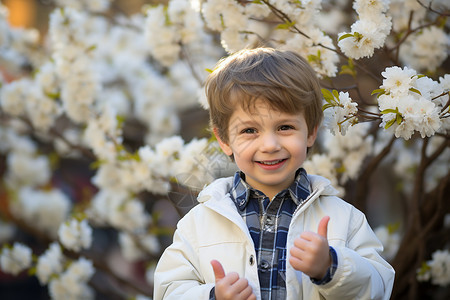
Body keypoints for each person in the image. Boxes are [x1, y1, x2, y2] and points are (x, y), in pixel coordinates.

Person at [153, 47, 395, 300]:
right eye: (249, 130)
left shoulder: (344, 219)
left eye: (285, 127)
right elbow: (168, 290)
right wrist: (213, 296)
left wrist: (331, 267)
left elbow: (379, 288)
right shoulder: (198, 224)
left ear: (311, 132)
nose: (269, 145)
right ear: (224, 140)